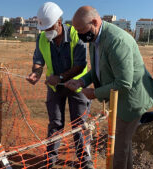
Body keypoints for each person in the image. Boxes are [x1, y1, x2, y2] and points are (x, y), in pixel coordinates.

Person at [65, 6, 153, 169]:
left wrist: (95, 93)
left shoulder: (117, 41)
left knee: (118, 147)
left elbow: (124, 83)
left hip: (131, 101)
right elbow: (98, 69)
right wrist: (82, 81)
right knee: (122, 144)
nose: (80, 35)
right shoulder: (94, 39)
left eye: (81, 30)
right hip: (118, 98)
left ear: (95, 22)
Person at [26, 2, 93, 169]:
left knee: (80, 124)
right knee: (55, 124)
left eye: (50, 28)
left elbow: (80, 64)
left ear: (60, 21)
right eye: (45, 29)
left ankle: (85, 162)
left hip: (76, 85)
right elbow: (38, 61)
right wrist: (36, 73)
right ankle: (50, 161)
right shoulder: (42, 38)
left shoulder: (76, 35)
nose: (47, 32)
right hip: (55, 88)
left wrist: (61, 77)